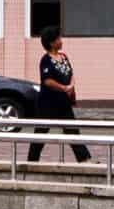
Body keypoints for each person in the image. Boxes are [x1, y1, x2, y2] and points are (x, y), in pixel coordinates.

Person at [26, 26, 92, 164]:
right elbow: (47, 81)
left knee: (72, 130)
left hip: (63, 102)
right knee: (41, 132)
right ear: (51, 43)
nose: (61, 41)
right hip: (47, 103)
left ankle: (84, 159)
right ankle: (31, 161)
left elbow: (70, 73)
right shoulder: (46, 60)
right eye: (58, 38)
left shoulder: (64, 57)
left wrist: (71, 85)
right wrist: (64, 88)